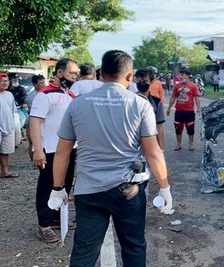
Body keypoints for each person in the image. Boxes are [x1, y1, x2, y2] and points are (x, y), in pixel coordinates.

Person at [49, 50, 172, 266]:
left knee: (84, 252)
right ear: (130, 76)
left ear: (101, 74)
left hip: (88, 190)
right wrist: (164, 187)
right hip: (128, 190)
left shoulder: (77, 104)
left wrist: (58, 188)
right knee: (133, 246)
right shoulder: (140, 104)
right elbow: (153, 152)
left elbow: (62, 152)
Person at [30, 58, 78, 243]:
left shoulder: (70, 95)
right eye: (71, 73)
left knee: (63, 185)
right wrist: (38, 150)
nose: (74, 77)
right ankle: (44, 225)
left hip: (68, 150)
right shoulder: (44, 95)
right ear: (59, 73)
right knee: (46, 187)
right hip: (49, 150)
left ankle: (56, 218)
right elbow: (35, 122)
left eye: (76, 74)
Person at [167, 69, 201, 151]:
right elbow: (173, 97)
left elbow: (196, 97)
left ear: (188, 76)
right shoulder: (176, 86)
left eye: (183, 75)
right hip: (179, 111)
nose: (181, 77)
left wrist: (198, 108)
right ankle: (178, 144)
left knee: (190, 128)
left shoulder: (193, 86)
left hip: (189, 111)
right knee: (178, 128)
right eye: (180, 75)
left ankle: (191, 144)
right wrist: (169, 108)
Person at [135, 69, 166, 150]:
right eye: (138, 80)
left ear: (151, 82)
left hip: (151, 142)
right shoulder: (129, 100)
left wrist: (161, 148)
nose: (141, 83)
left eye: (145, 81)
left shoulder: (156, 102)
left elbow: (159, 125)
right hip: (133, 143)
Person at [0, 73, 18, 178]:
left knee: (5, 151)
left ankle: (5, 171)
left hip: (8, 126)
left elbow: (12, 111)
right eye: (2, 81)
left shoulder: (9, 94)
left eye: (6, 81)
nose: (5, 83)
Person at [25, 74, 47, 161]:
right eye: (40, 83)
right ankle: (33, 160)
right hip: (33, 120)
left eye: (43, 83)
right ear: (34, 84)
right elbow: (32, 111)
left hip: (44, 120)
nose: (43, 85)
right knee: (32, 141)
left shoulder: (46, 93)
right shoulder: (31, 96)